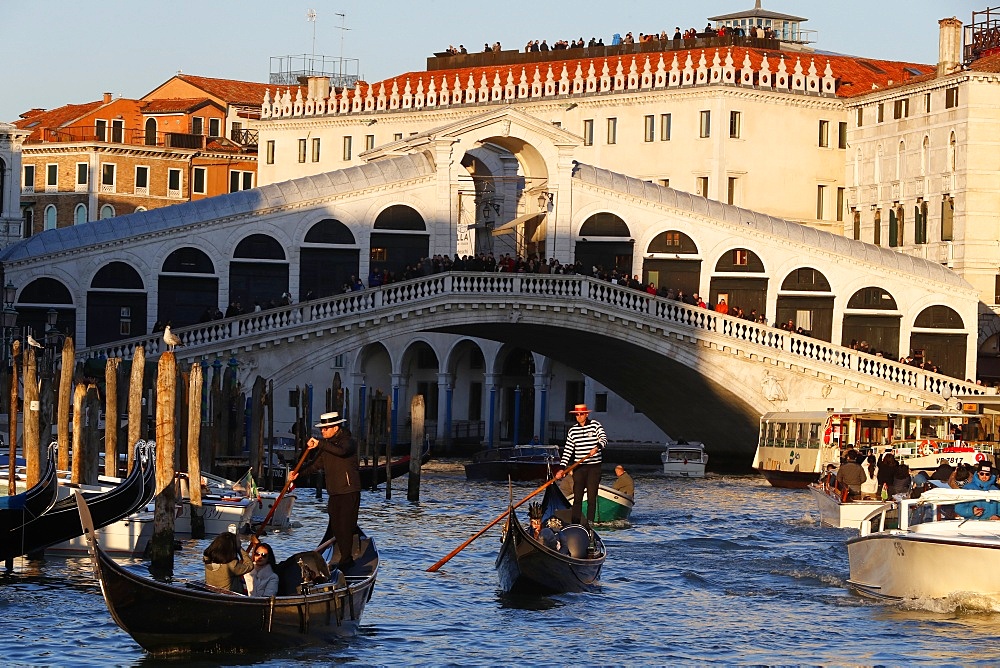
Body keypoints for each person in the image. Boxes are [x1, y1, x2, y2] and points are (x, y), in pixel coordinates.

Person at [289, 411, 361, 571]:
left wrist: (320, 443)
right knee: (336, 526)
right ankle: (344, 556)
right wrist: (297, 473)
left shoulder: (348, 442)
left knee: (346, 526)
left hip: (349, 491)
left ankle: (346, 559)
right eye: (322, 429)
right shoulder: (326, 446)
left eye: (326, 428)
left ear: (335, 428)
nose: (323, 431)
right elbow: (315, 465)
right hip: (334, 492)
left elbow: (341, 451)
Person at [554, 403, 607, 528]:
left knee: (591, 497)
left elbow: (604, 439)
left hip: (594, 466)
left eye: (581, 414)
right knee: (577, 497)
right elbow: (568, 451)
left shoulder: (595, 425)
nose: (578, 416)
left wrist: (597, 447)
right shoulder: (573, 431)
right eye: (576, 414)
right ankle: (576, 524)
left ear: (586, 414)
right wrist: (562, 468)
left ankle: (589, 524)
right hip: (579, 467)